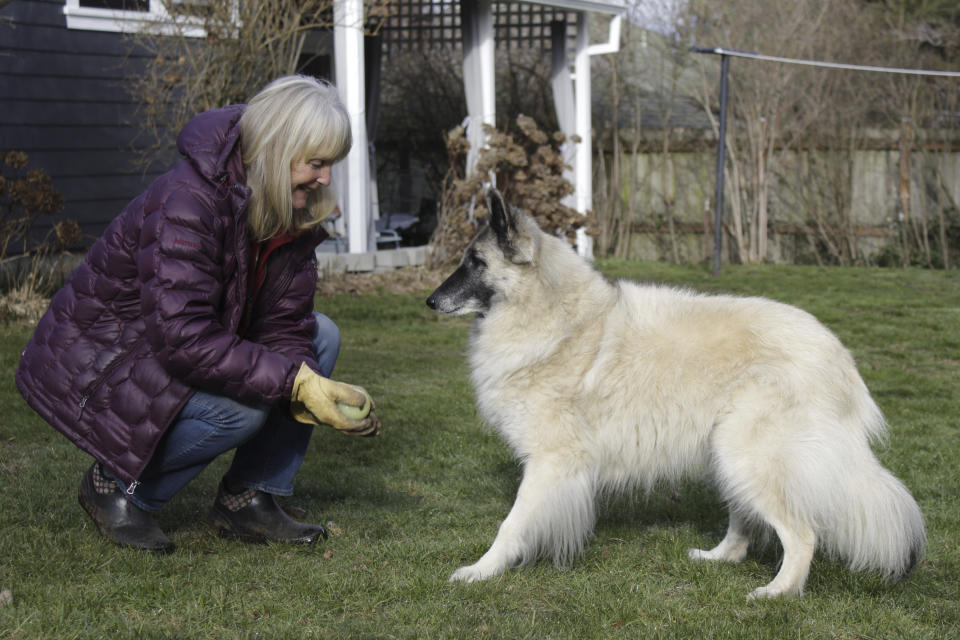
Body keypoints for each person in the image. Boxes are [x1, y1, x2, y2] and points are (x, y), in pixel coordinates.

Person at [15, 75, 381, 553]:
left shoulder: (286, 207)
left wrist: (306, 381)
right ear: (276, 150)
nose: (325, 179)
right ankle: (114, 488)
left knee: (321, 336)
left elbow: (285, 322)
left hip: (184, 342)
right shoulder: (189, 201)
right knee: (242, 412)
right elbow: (182, 337)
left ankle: (248, 497)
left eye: (330, 164)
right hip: (113, 358)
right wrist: (293, 383)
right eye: (316, 163)